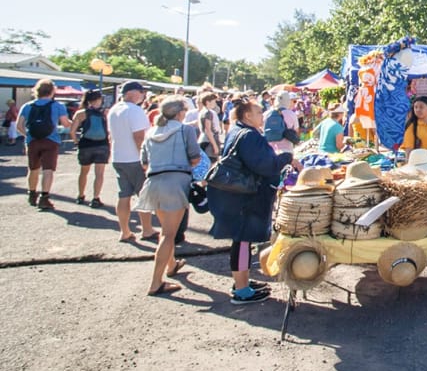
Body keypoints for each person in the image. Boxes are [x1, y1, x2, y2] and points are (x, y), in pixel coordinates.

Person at [207, 96, 296, 304]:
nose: (262, 116)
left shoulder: (238, 131)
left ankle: (242, 281)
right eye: (258, 113)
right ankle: (241, 290)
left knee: (242, 242)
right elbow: (265, 165)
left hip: (237, 196)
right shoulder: (248, 135)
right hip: (242, 198)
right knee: (242, 241)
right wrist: (286, 158)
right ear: (247, 115)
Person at [138, 97, 201, 297]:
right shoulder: (186, 130)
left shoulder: (151, 133)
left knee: (167, 230)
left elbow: (144, 162)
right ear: (180, 112)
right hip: (176, 183)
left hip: (153, 182)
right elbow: (195, 157)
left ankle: (171, 265)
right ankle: (156, 282)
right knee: (168, 235)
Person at [108, 81, 158, 242]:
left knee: (124, 195)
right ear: (131, 93)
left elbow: (111, 136)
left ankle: (125, 231)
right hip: (134, 159)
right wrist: (146, 159)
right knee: (143, 195)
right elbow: (139, 137)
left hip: (119, 156)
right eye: (140, 92)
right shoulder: (135, 111)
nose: (142, 95)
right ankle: (147, 229)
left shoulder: (114, 110)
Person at [16, 78, 72, 211]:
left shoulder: (28, 106)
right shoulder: (58, 106)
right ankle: (44, 197)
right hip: (51, 140)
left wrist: (28, 135)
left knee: (33, 169)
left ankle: (31, 193)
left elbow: (19, 126)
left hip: (32, 140)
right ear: (52, 91)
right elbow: (65, 123)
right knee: (48, 170)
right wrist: (73, 123)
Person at [69, 90, 111, 207]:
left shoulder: (81, 113)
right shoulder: (105, 113)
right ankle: (96, 198)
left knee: (84, 172)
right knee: (99, 174)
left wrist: (76, 142)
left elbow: (72, 131)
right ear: (99, 100)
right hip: (102, 145)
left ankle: (81, 195)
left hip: (85, 145)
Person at [195, 92, 223, 158]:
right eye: (214, 101)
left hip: (204, 139)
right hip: (209, 141)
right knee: (211, 163)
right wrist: (215, 145)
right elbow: (208, 130)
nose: (215, 103)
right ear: (207, 102)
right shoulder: (208, 113)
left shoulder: (202, 112)